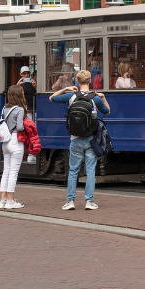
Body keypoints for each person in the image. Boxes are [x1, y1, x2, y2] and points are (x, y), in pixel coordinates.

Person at [50, 70, 110, 210]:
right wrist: (103, 97)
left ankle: (70, 201)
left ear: (77, 81)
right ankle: (89, 201)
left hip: (75, 139)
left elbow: (52, 98)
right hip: (91, 140)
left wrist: (65, 88)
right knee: (90, 171)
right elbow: (107, 111)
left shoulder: (70, 96)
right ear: (90, 81)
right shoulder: (95, 98)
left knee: (73, 171)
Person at [0, 85, 28, 210]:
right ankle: (10, 201)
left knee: (6, 171)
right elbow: (20, 127)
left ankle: (3, 200)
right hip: (15, 141)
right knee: (13, 173)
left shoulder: (5, 108)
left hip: (6, 142)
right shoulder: (20, 109)